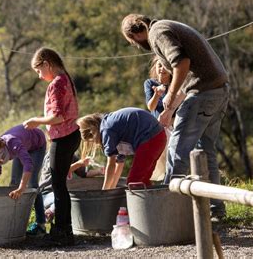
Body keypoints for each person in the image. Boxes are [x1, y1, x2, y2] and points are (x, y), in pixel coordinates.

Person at [121, 14, 229, 220]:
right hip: (218, 90)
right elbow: (186, 77)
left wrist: (169, 96)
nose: (136, 45)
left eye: (133, 42)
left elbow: (182, 63)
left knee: (176, 149)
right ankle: (216, 210)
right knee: (205, 153)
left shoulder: (157, 33)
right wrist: (169, 109)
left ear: (136, 33)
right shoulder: (168, 26)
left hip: (202, 93)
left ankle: (168, 212)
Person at [23, 47, 80, 246]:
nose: (39, 76)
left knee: (58, 186)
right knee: (60, 185)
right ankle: (66, 229)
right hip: (72, 135)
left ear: (47, 64)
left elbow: (57, 117)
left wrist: (36, 121)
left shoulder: (56, 84)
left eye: (39, 71)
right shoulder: (66, 78)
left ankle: (60, 232)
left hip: (63, 138)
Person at [0, 125, 47, 237]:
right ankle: (16, 223)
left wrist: (22, 188)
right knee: (14, 183)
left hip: (37, 145)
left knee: (32, 184)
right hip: (24, 146)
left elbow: (28, 165)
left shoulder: (12, 143)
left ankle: (41, 224)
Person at [77, 107, 166, 189]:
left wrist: (104, 191)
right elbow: (119, 165)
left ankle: (138, 205)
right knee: (143, 180)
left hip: (149, 139)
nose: (95, 144)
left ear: (92, 133)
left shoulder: (106, 130)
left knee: (133, 182)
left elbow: (111, 165)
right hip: (159, 136)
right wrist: (112, 189)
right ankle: (151, 203)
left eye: (91, 141)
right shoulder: (112, 126)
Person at [39, 153, 105, 223]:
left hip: (59, 193)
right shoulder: (53, 154)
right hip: (47, 193)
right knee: (67, 199)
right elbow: (59, 172)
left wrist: (99, 171)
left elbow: (84, 173)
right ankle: (47, 214)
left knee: (70, 198)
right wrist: (79, 164)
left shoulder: (72, 155)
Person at [144, 57, 174, 181]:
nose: (162, 69)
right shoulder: (150, 83)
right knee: (159, 161)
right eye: (159, 66)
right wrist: (157, 94)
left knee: (172, 157)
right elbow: (151, 106)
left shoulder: (175, 84)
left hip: (174, 125)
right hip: (158, 127)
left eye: (165, 66)